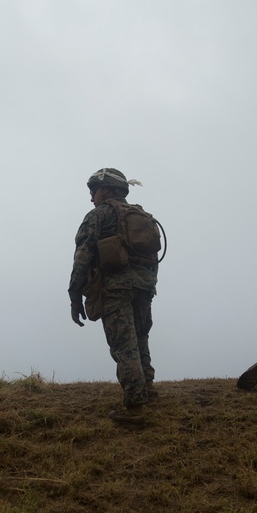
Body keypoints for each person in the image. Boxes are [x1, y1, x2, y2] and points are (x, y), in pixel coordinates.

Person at [69, 168, 159, 424]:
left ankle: (135, 407)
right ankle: (148, 389)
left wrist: (74, 293)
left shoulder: (99, 215)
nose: (91, 198)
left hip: (115, 289)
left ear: (106, 189)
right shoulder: (142, 215)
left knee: (124, 345)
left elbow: (83, 255)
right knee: (141, 338)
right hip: (144, 287)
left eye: (93, 191)